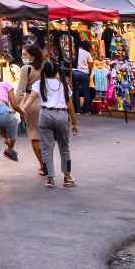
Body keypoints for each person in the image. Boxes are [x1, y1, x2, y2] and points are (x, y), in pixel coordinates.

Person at [31, 61, 79, 189]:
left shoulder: (39, 83)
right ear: (56, 71)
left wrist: (20, 110)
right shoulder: (63, 84)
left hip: (45, 115)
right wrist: (74, 122)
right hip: (62, 115)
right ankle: (67, 176)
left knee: (47, 148)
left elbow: (30, 99)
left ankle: (50, 178)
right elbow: (70, 106)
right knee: (64, 147)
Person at [17, 44, 46, 175]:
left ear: (32, 56)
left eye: (25, 55)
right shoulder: (45, 67)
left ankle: (43, 164)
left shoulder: (26, 68)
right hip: (45, 101)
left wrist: (15, 106)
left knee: (34, 134)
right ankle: (47, 162)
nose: (23, 57)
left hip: (31, 102)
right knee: (45, 135)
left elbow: (20, 91)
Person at [73, 40, 93, 114]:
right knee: (86, 92)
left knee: (76, 91)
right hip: (84, 73)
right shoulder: (88, 53)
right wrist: (89, 73)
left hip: (75, 72)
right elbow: (91, 64)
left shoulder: (76, 51)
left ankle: (77, 110)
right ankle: (86, 110)